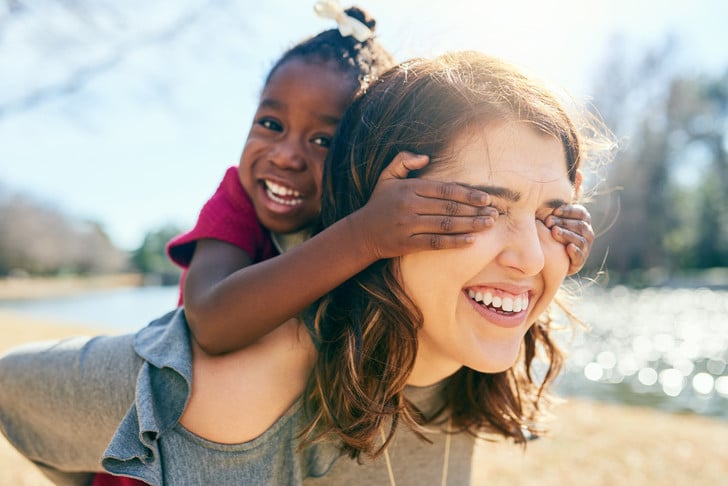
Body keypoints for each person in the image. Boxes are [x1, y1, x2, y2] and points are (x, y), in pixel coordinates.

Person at [0, 51, 612, 485]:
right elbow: (209, 321)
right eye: (477, 209)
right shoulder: (254, 239)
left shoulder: (458, 347)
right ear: (374, 191)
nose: (289, 156)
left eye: (553, 216)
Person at [163, 1, 596, 356]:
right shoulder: (236, 200)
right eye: (271, 125)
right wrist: (364, 236)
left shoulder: (378, 212)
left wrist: (552, 235)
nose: (286, 156)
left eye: (321, 140)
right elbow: (211, 323)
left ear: (365, 160)